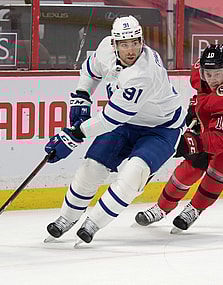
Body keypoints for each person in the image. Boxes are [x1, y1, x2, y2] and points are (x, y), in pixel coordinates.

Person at [43, 15, 186, 244]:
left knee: (133, 174)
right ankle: (66, 218)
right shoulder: (105, 49)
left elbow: (110, 119)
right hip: (126, 124)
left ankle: (93, 223)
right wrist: (82, 95)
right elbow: (91, 71)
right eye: (124, 44)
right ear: (114, 44)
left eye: (135, 42)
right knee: (91, 167)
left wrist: (74, 135)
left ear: (142, 41)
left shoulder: (144, 74)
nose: (131, 50)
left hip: (161, 129)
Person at [135, 44, 223, 233]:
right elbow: (203, 94)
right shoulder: (200, 73)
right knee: (194, 163)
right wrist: (196, 109)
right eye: (208, 74)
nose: (212, 79)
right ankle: (161, 207)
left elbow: (221, 140)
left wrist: (189, 143)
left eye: (217, 73)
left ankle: (195, 208)